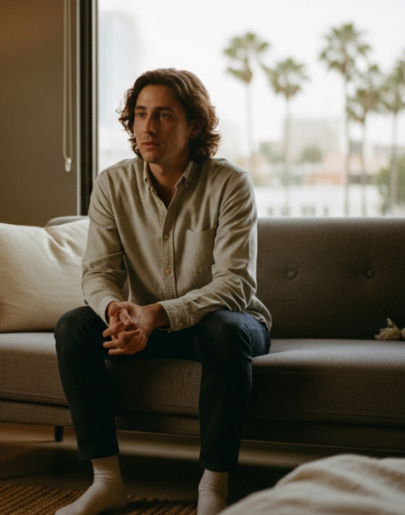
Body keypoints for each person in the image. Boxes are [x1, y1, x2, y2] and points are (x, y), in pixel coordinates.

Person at [54, 68, 273, 515]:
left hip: (222, 324)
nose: (148, 127)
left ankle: (213, 488)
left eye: (164, 115)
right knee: (74, 326)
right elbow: (98, 272)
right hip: (144, 324)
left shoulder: (230, 183)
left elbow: (234, 284)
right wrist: (117, 312)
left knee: (226, 331)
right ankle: (106, 482)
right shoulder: (112, 183)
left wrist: (155, 314)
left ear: (195, 124)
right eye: (140, 114)